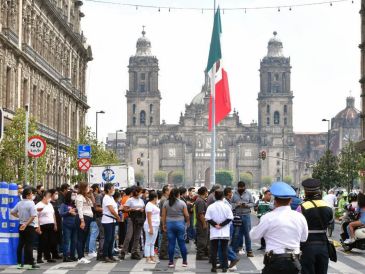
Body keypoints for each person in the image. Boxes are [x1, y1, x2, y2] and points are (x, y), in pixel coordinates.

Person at [250, 182, 308, 274]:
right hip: (294, 261)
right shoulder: (300, 217)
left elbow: (254, 236)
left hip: (274, 262)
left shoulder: (268, 217)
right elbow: (304, 238)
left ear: (275, 201)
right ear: (291, 201)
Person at [300, 178, 333, 274]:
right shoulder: (328, 207)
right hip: (323, 246)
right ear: (319, 191)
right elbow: (330, 223)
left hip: (307, 246)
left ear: (306, 192)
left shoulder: (302, 206)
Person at [11, 187, 40, 270]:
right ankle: (30, 263)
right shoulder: (31, 203)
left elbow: (12, 212)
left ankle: (19, 263)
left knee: (20, 245)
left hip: (21, 225)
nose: (32, 195)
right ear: (27, 195)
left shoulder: (19, 203)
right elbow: (33, 215)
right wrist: (26, 223)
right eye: (31, 194)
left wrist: (20, 217)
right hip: (29, 226)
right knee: (29, 245)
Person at [205, 190, 234, 273]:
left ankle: (214, 267)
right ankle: (225, 267)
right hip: (224, 231)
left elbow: (208, 218)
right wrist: (221, 225)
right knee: (224, 249)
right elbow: (230, 218)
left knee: (214, 250)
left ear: (215, 197)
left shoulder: (211, 207)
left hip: (214, 232)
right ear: (223, 197)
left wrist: (215, 225)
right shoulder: (226, 206)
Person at [161, 188, 190, 268]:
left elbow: (163, 215)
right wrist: (188, 222)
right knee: (182, 243)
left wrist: (163, 224)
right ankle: (184, 261)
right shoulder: (182, 203)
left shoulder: (166, 203)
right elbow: (186, 215)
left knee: (171, 243)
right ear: (178, 194)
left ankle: (171, 262)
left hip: (170, 224)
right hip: (180, 224)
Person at [120, 186, 145, 260]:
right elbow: (125, 209)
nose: (141, 193)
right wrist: (133, 209)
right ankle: (123, 252)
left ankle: (134, 252)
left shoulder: (141, 200)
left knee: (137, 236)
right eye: (140, 192)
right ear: (137, 192)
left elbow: (143, 207)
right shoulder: (130, 200)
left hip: (139, 219)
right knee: (129, 236)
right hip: (132, 218)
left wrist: (142, 210)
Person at [231, 181, 255, 257]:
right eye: (239, 187)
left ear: (245, 187)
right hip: (237, 216)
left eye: (242, 187)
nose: (241, 189)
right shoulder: (234, 194)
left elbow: (252, 203)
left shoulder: (248, 193)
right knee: (236, 234)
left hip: (246, 215)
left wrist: (246, 205)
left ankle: (249, 250)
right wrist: (236, 205)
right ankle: (235, 250)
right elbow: (231, 204)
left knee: (247, 234)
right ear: (237, 187)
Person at [35, 190, 58, 263]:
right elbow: (36, 216)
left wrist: (55, 224)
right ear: (44, 197)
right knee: (42, 242)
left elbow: (53, 215)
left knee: (50, 242)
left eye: (50, 197)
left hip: (51, 225)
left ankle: (48, 257)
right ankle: (39, 258)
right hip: (43, 225)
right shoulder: (39, 205)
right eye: (48, 196)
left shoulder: (50, 205)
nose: (50, 198)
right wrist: (38, 227)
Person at [75, 182, 94, 264]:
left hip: (88, 218)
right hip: (83, 218)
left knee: (84, 238)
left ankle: (82, 256)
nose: (89, 188)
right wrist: (82, 221)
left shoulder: (86, 197)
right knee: (80, 238)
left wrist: (91, 193)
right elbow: (79, 209)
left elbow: (93, 203)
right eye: (88, 187)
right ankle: (80, 257)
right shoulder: (79, 197)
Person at [101, 183, 120, 262]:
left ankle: (110, 255)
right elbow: (111, 210)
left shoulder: (111, 197)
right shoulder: (106, 198)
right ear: (108, 189)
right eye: (112, 188)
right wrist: (118, 217)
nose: (114, 190)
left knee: (112, 239)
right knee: (108, 239)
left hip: (112, 220)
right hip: (107, 221)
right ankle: (105, 256)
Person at [59, 191, 78, 262]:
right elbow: (61, 213)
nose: (74, 196)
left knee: (74, 241)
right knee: (66, 241)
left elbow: (79, 212)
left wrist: (75, 213)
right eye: (73, 195)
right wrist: (69, 212)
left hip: (75, 225)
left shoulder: (75, 204)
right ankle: (65, 256)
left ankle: (72, 255)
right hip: (67, 225)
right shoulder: (64, 205)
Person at [144, 191, 160, 264]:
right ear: (154, 198)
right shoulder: (149, 205)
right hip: (150, 225)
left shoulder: (154, 204)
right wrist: (150, 228)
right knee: (148, 242)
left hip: (156, 225)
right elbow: (149, 217)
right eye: (156, 197)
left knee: (152, 242)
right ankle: (148, 257)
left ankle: (152, 256)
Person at [195, 186, 209, 260]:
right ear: (204, 192)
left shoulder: (201, 200)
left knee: (203, 238)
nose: (207, 193)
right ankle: (200, 254)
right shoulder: (200, 201)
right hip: (201, 222)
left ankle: (203, 253)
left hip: (201, 222)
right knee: (202, 238)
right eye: (206, 192)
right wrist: (204, 223)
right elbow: (201, 214)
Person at [158, 185, 170, 260]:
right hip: (164, 220)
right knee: (165, 238)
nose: (170, 191)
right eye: (169, 190)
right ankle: (163, 253)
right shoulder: (164, 199)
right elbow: (163, 212)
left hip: (164, 219)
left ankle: (164, 253)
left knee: (165, 238)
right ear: (166, 191)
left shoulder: (165, 199)